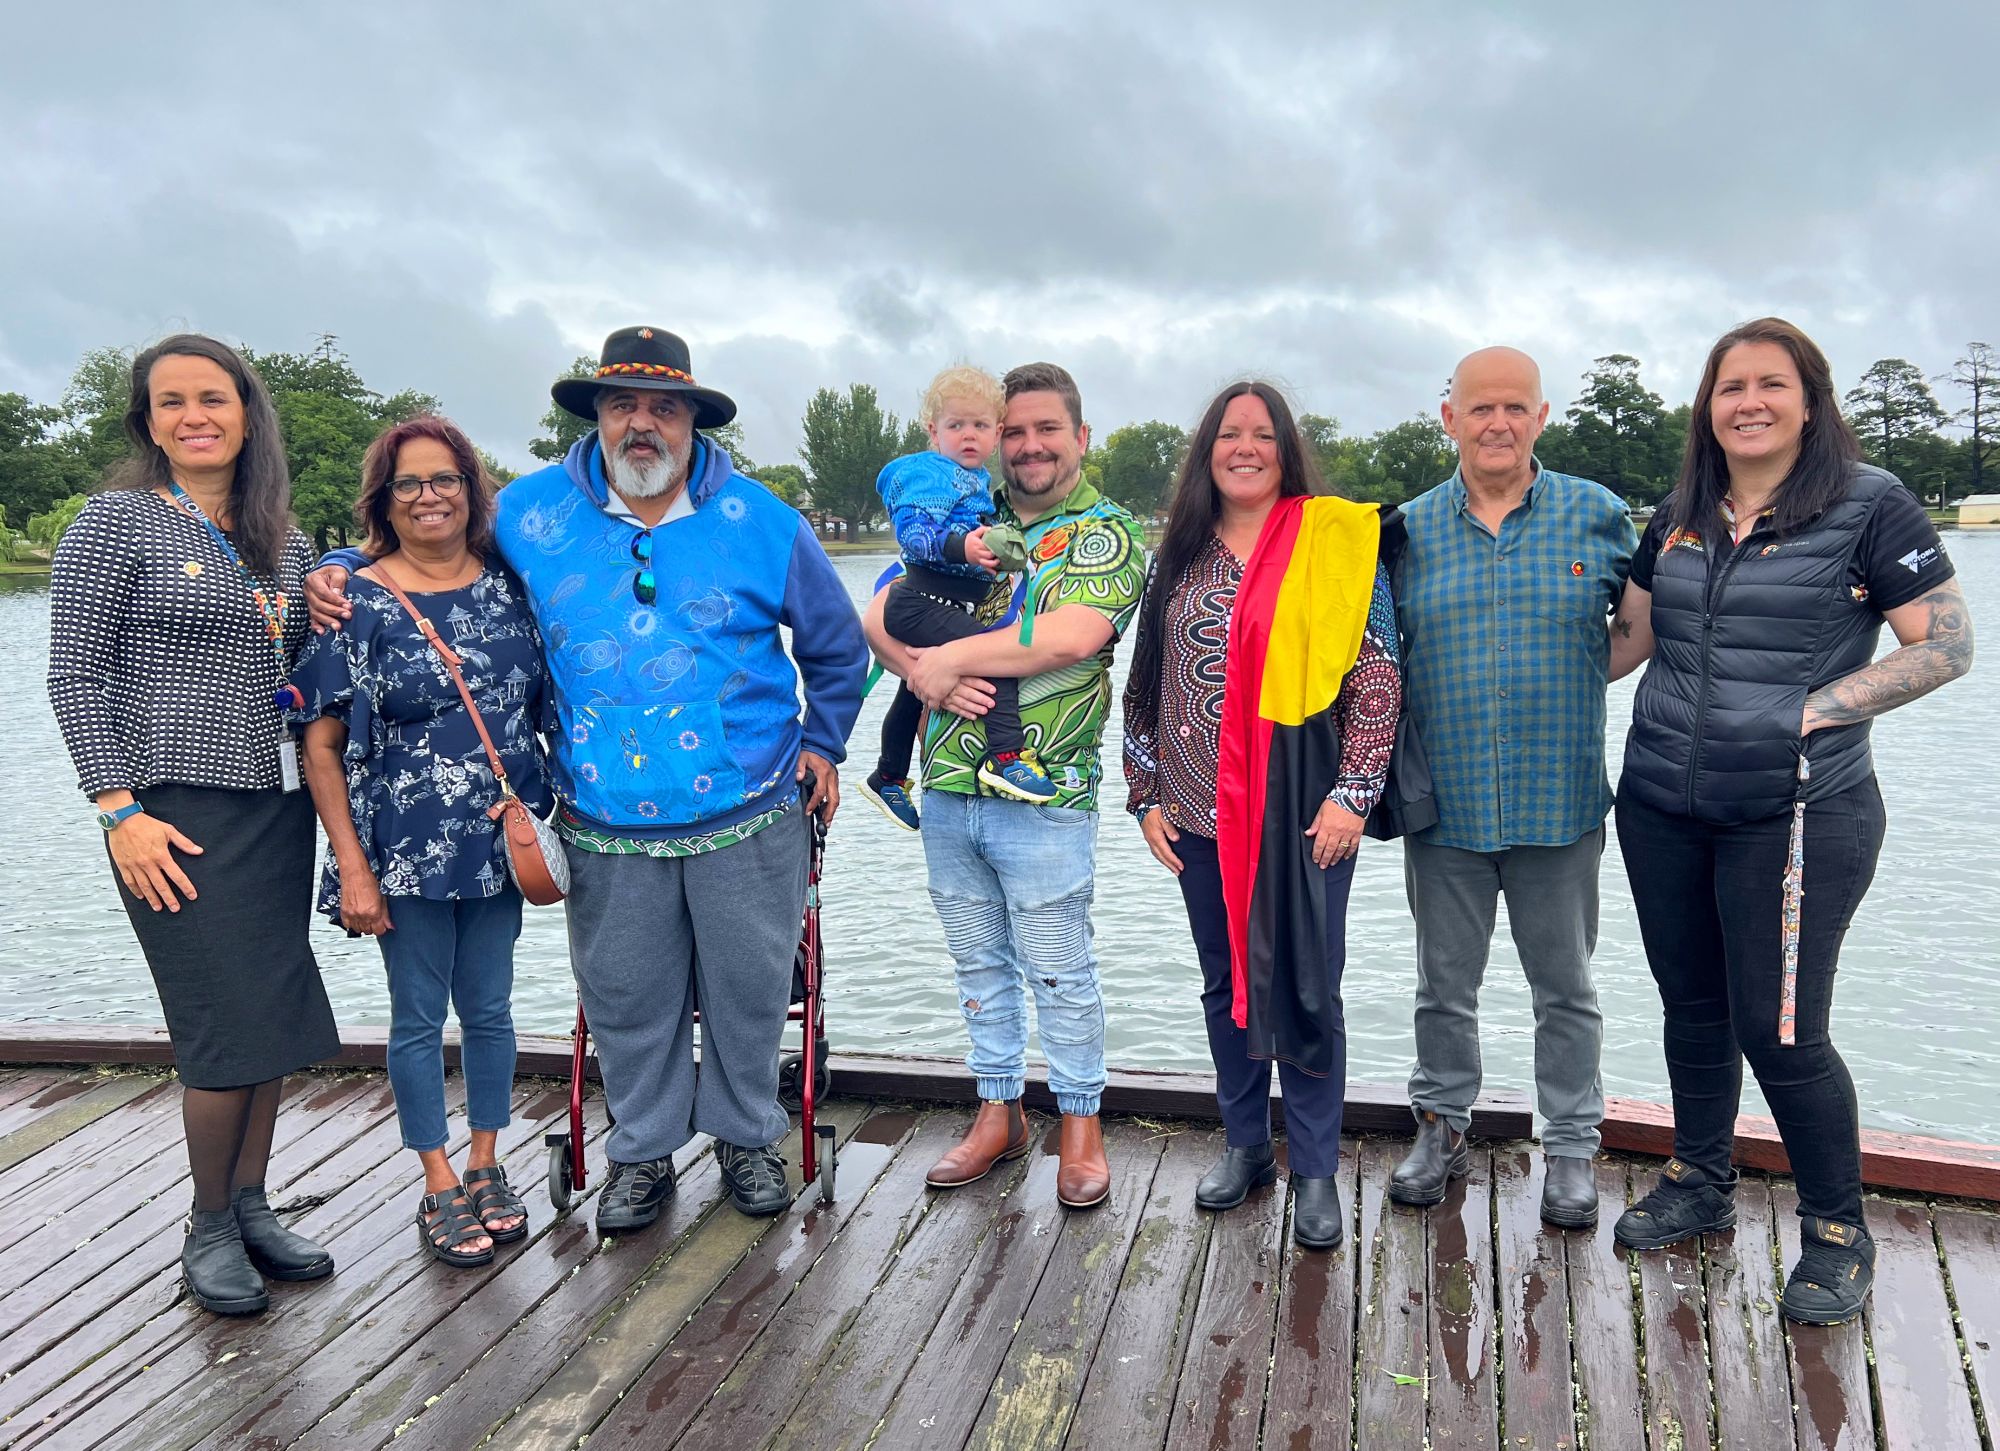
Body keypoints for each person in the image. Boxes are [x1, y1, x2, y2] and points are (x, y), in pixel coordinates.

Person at [305, 327, 868, 1234]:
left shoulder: (768, 521)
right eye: (621, 406)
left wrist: (826, 743)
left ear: (692, 420)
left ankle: (747, 1139)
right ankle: (642, 1153)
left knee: (751, 987)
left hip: (751, 806)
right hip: (602, 817)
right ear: (596, 417)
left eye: (663, 407)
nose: (641, 425)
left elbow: (838, 650)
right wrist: (334, 569)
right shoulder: (526, 514)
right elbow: (423, 535)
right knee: (626, 995)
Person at [1606, 317, 1973, 1323]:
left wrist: (1812, 710)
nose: (1748, 402)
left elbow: (1943, 644)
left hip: (1798, 809)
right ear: (1707, 406)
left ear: (1807, 400)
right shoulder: (1680, 507)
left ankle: (1834, 1231)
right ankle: (1699, 1176)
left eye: (1770, 383)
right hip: (1660, 803)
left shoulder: (1867, 504)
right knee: (1690, 1007)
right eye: (1730, 386)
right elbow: (1626, 638)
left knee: (1783, 1029)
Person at [47, 334, 340, 1316]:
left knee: (269, 1011)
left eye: (210, 397)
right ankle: (207, 1222)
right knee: (221, 1022)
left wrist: (333, 599)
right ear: (148, 422)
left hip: (273, 805)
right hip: (168, 810)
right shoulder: (115, 521)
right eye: (169, 402)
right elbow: (75, 674)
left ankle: (250, 1204)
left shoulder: (281, 537)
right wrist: (116, 807)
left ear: (247, 412)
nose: (192, 416)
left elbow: (297, 658)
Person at [1122, 382, 1400, 1249]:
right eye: (1229, 434)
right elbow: (1146, 682)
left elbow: (1379, 674)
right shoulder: (1180, 554)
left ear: (1287, 448)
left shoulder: (1338, 542)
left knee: (1312, 982)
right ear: (1208, 451)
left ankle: (1316, 1167)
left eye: (1263, 434)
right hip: (1202, 813)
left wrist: (1353, 794)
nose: (1246, 447)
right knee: (1223, 981)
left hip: (1308, 813)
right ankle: (1248, 1144)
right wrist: (1146, 792)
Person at [863, 363, 1147, 1210]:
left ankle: (1081, 1127)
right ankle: (998, 1112)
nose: (1026, 445)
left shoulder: (1108, 532)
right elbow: (878, 609)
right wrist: (922, 670)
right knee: (977, 963)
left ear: (1080, 437)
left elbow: (1066, 637)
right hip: (947, 785)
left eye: (1044, 429)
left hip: (1045, 793)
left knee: (1060, 966)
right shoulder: (963, 517)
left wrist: (948, 657)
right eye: (1012, 431)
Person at [1388, 346, 1636, 1230]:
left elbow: (1638, 626)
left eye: (1515, 408)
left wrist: (1571, 676)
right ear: (1448, 415)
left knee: (1565, 987)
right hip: (1444, 804)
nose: (1498, 423)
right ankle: (1442, 1126)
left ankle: (1569, 1145)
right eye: (1479, 408)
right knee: (1441, 986)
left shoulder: (1600, 516)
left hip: (1558, 798)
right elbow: (1378, 662)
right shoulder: (1405, 530)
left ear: (1541, 416)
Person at [292, 415, 548, 1268]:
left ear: (472, 492)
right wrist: (352, 868)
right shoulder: (356, 599)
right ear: (385, 500)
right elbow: (320, 745)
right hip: (403, 845)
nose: (430, 495)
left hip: (501, 837)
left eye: (446, 480)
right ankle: (435, 1179)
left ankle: (484, 1160)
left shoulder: (511, 583)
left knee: (490, 1010)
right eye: (410, 483)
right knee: (415, 1019)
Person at [862, 365, 1054, 830]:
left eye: (980, 426)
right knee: (994, 656)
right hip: (922, 600)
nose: (968, 435)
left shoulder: (971, 479)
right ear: (934, 431)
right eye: (956, 425)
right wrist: (962, 546)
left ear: (996, 434)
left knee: (913, 694)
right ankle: (1005, 755)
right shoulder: (929, 474)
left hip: (938, 602)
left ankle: (887, 776)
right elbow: (913, 536)